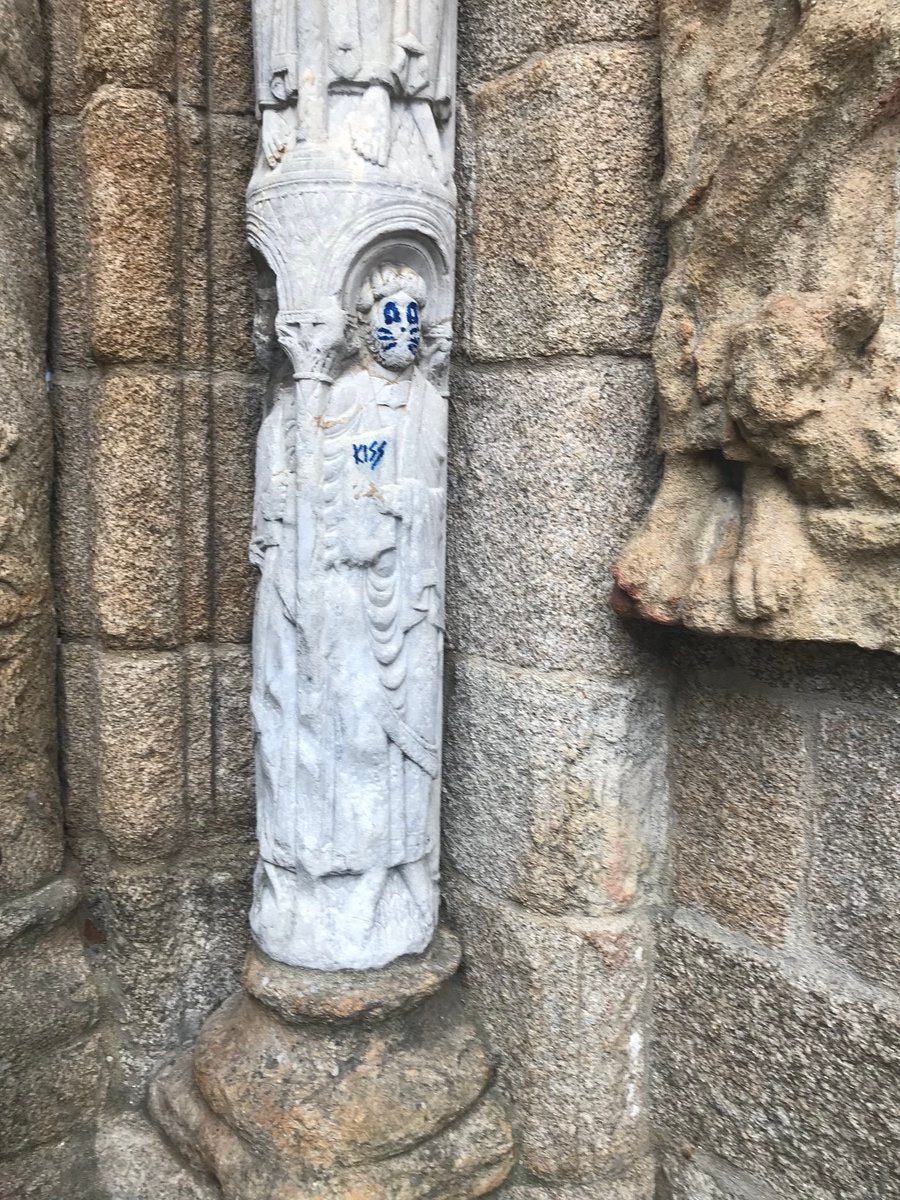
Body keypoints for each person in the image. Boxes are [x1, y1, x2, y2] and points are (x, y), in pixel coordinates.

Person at [249, 264, 447, 969]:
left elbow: (430, 493)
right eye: (389, 318)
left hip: (410, 602)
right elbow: (332, 498)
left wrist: (406, 503)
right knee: (350, 741)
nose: (403, 332)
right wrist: (369, 509)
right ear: (363, 328)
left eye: (412, 320)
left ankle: (396, 881)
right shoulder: (342, 401)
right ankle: (323, 889)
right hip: (349, 606)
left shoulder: (431, 404)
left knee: (396, 752)